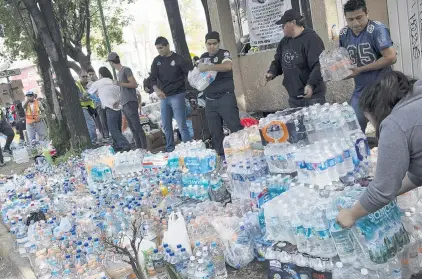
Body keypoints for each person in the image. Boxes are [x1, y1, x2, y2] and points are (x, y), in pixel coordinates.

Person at [337, 71, 422, 228]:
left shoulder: (395, 123)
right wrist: (389, 188)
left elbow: (383, 190)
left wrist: (351, 214)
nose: (373, 126)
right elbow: (418, 173)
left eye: (370, 121)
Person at [339, 0, 396, 133]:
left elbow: (391, 57)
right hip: (360, 89)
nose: (355, 23)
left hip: (382, 87)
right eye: (350, 19)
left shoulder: (377, 29)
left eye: (359, 18)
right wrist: (339, 71)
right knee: (354, 126)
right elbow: (344, 59)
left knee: (385, 127)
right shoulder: (344, 33)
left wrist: (360, 69)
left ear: (367, 13)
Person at [265, 9, 326, 108]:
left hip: (312, 98)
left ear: (293, 23)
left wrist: (310, 85)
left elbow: (319, 65)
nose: (282, 28)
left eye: (283, 25)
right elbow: (278, 61)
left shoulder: (311, 39)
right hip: (294, 98)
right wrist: (272, 72)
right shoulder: (284, 42)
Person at [198, 31, 243, 157]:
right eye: (209, 44)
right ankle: (222, 157)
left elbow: (227, 66)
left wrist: (208, 67)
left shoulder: (224, 53)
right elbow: (199, 73)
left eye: (214, 43)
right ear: (205, 44)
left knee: (234, 128)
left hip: (225, 97)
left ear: (218, 43)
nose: (212, 46)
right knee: (215, 132)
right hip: (210, 100)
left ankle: (242, 153)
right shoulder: (203, 56)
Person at [149, 36, 193, 152]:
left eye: (161, 48)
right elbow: (152, 78)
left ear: (167, 46)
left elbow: (189, 73)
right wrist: (157, 90)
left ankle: (188, 148)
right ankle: (170, 149)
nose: (159, 51)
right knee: (166, 125)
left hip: (178, 94)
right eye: (157, 49)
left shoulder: (178, 59)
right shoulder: (156, 61)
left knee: (181, 124)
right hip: (164, 96)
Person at [107, 52, 147, 150]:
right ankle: (139, 149)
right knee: (133, 129)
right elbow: (123, 90)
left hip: (130, 102)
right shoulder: (119, 73)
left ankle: (145, 149)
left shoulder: (126, 70)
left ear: (112, 63)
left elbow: (134, 84)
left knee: (137, 127)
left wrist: (119, 83)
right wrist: (118, 100)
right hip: (124, 104)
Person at [89, 67, 131, 151]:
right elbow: (122, 92)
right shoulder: (114, 81)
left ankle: (125, 144)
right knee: (117, 128)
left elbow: (89, 92)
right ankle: (117, 145)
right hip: (118, 108)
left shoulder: (99, 83)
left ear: (100, 74)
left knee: (113, 129)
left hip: (110, 108)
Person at [75, 70, 97, 144]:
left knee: (92, 125)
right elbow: (80, 97)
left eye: (86, 76)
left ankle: (92, 141)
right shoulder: (77, 85)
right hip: (83, 107)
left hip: (90, 107)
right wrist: (90, 97)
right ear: (79, 77)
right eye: (83, 76)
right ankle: (93, 142)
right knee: (91, 125)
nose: (85, 78)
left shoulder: (89, 84)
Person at [87, 68, 109, 142]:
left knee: (103, 120)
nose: (91, 76)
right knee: (98, 122)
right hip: (93, 106)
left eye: (92, 74)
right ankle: (104, 136)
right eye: (89, 74)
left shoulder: (99, 82)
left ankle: (106, 135)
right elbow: (92, 94)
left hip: (100, 104)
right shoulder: (88, 84)